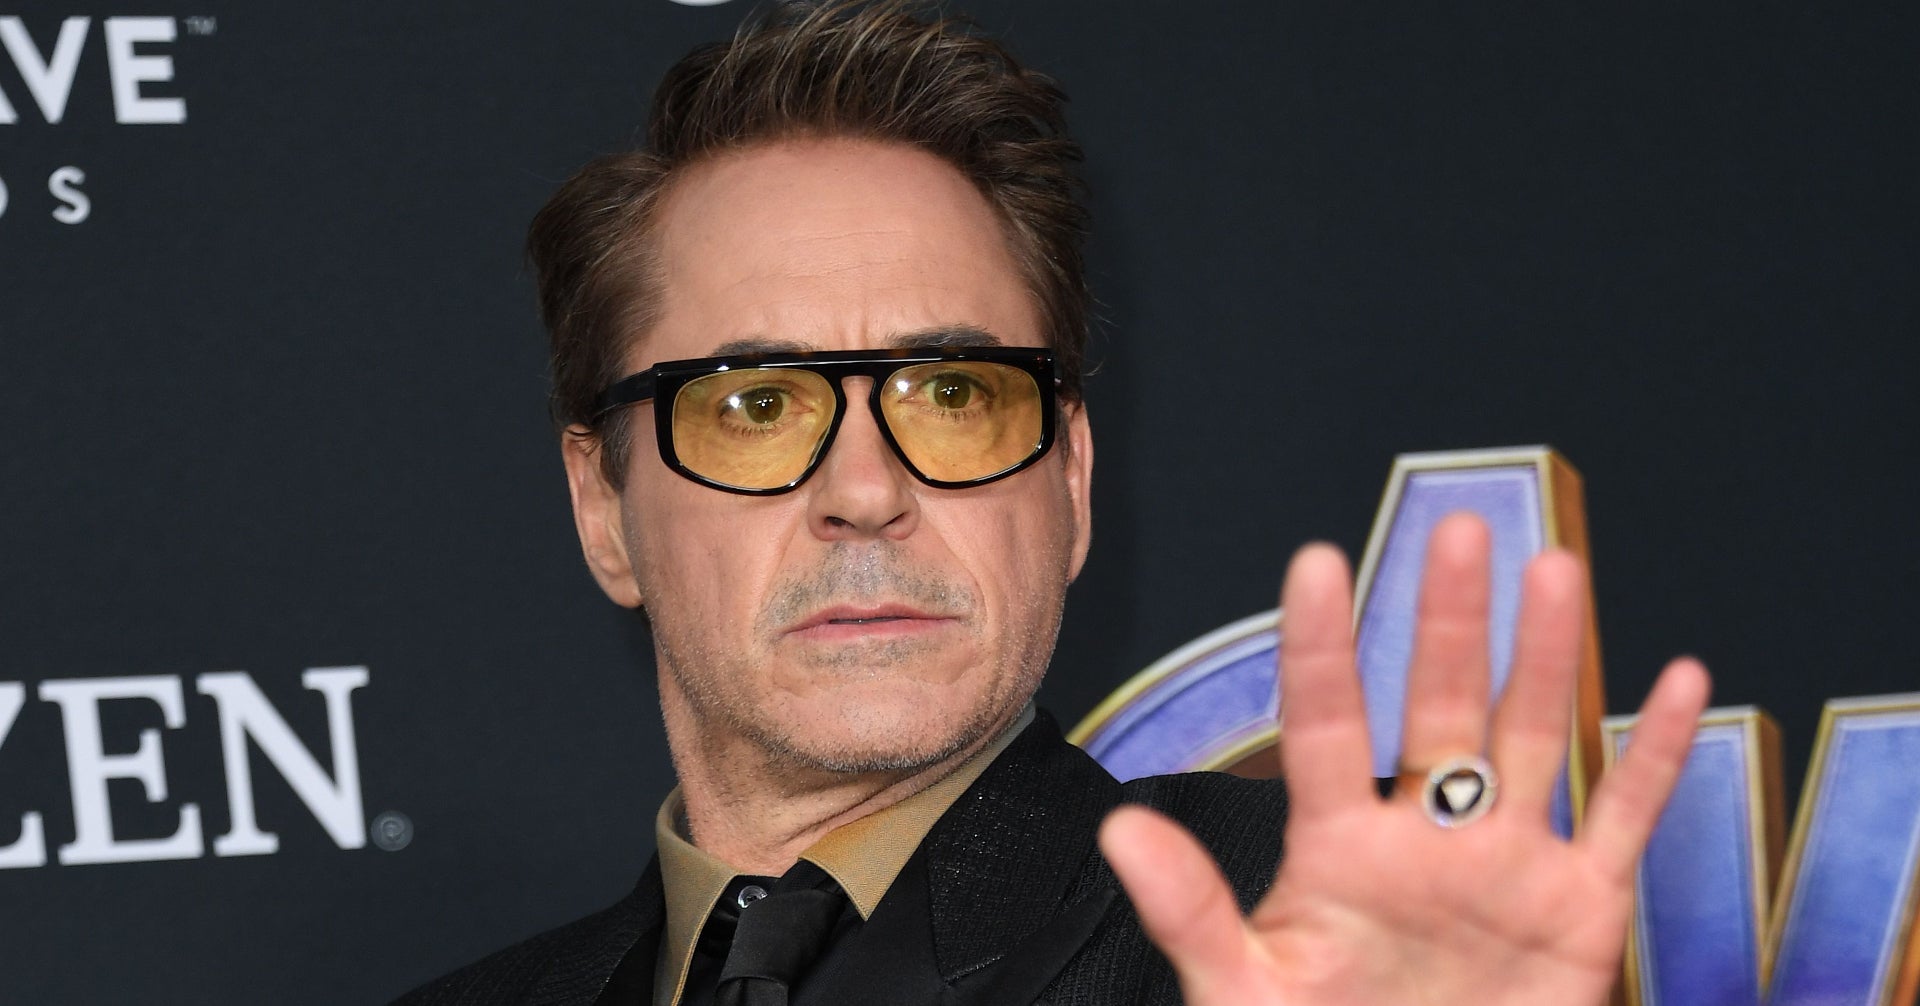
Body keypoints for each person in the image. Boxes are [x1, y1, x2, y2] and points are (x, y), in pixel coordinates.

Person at [396, 3, 1709, 1003]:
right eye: (756, 405)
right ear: (604, 506)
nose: (867, 490)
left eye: (954, 395)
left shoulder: (1300, 919)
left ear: (1070, 480)